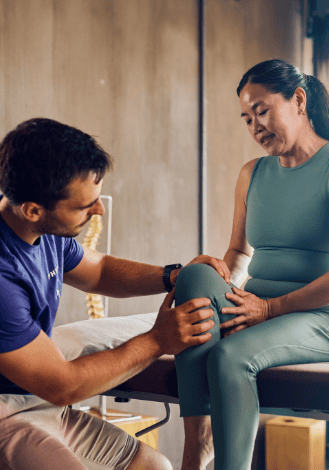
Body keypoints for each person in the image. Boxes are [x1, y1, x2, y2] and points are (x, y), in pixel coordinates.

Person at [0, 117, 226, 470]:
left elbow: (100, 271)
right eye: (84, 205)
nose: (99, 209)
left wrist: (171, 276)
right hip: (8, 413)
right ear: (33, 209)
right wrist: (157, 340)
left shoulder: (45, 233)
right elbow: (63, 385)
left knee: (155, 467)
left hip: (37, 400)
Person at [174, 58, 329, 470]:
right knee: (195, 276)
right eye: (246, 118)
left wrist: (268, 309)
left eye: (262, 111)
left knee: (229, 357)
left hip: (322, 315)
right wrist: (219, 275)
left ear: (298, 100)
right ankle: (198, 441)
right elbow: (238, 253)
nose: (255, 126)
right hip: (258, 305)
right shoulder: (251, 173)